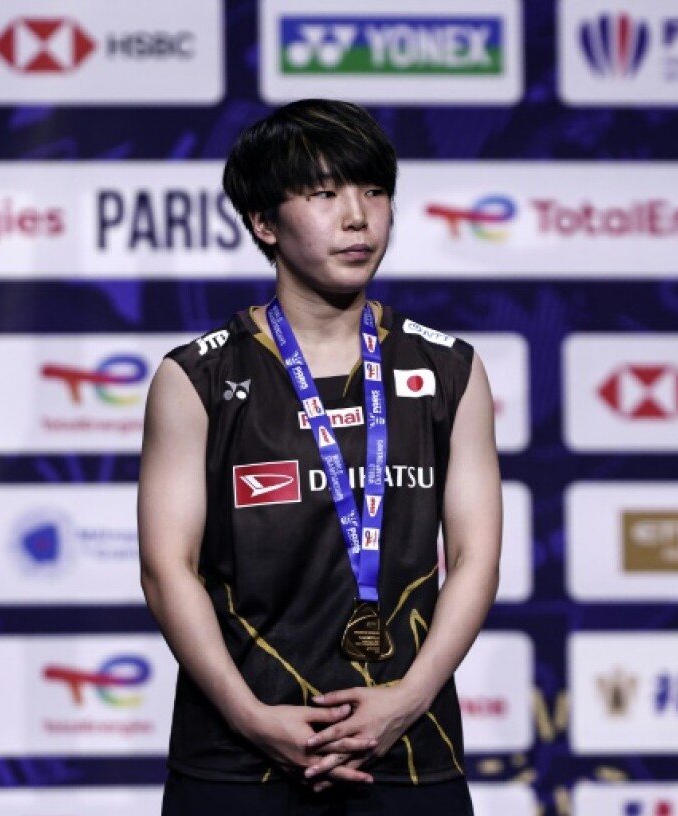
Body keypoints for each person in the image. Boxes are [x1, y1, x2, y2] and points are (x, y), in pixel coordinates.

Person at [137, 98, 502, 815]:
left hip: (408, 753)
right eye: (324, 194)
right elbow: (164, 569)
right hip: (237, 760)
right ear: (264, 223)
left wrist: (407, 699)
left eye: (373, 191)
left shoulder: (450, 369)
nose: (358, 216)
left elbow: (475, 556)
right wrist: (250, 717)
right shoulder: (196, 377)